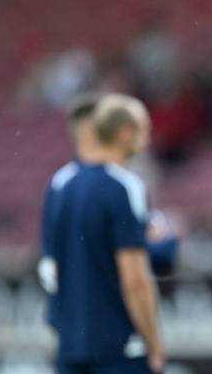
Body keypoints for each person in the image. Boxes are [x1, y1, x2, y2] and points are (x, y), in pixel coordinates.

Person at [40, 92, 165, 374]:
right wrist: (154, 346)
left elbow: (50, 267)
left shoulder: (59, 184)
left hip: (70, 344)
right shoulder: (123, 186)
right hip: (120, 345)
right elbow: (135, 280)